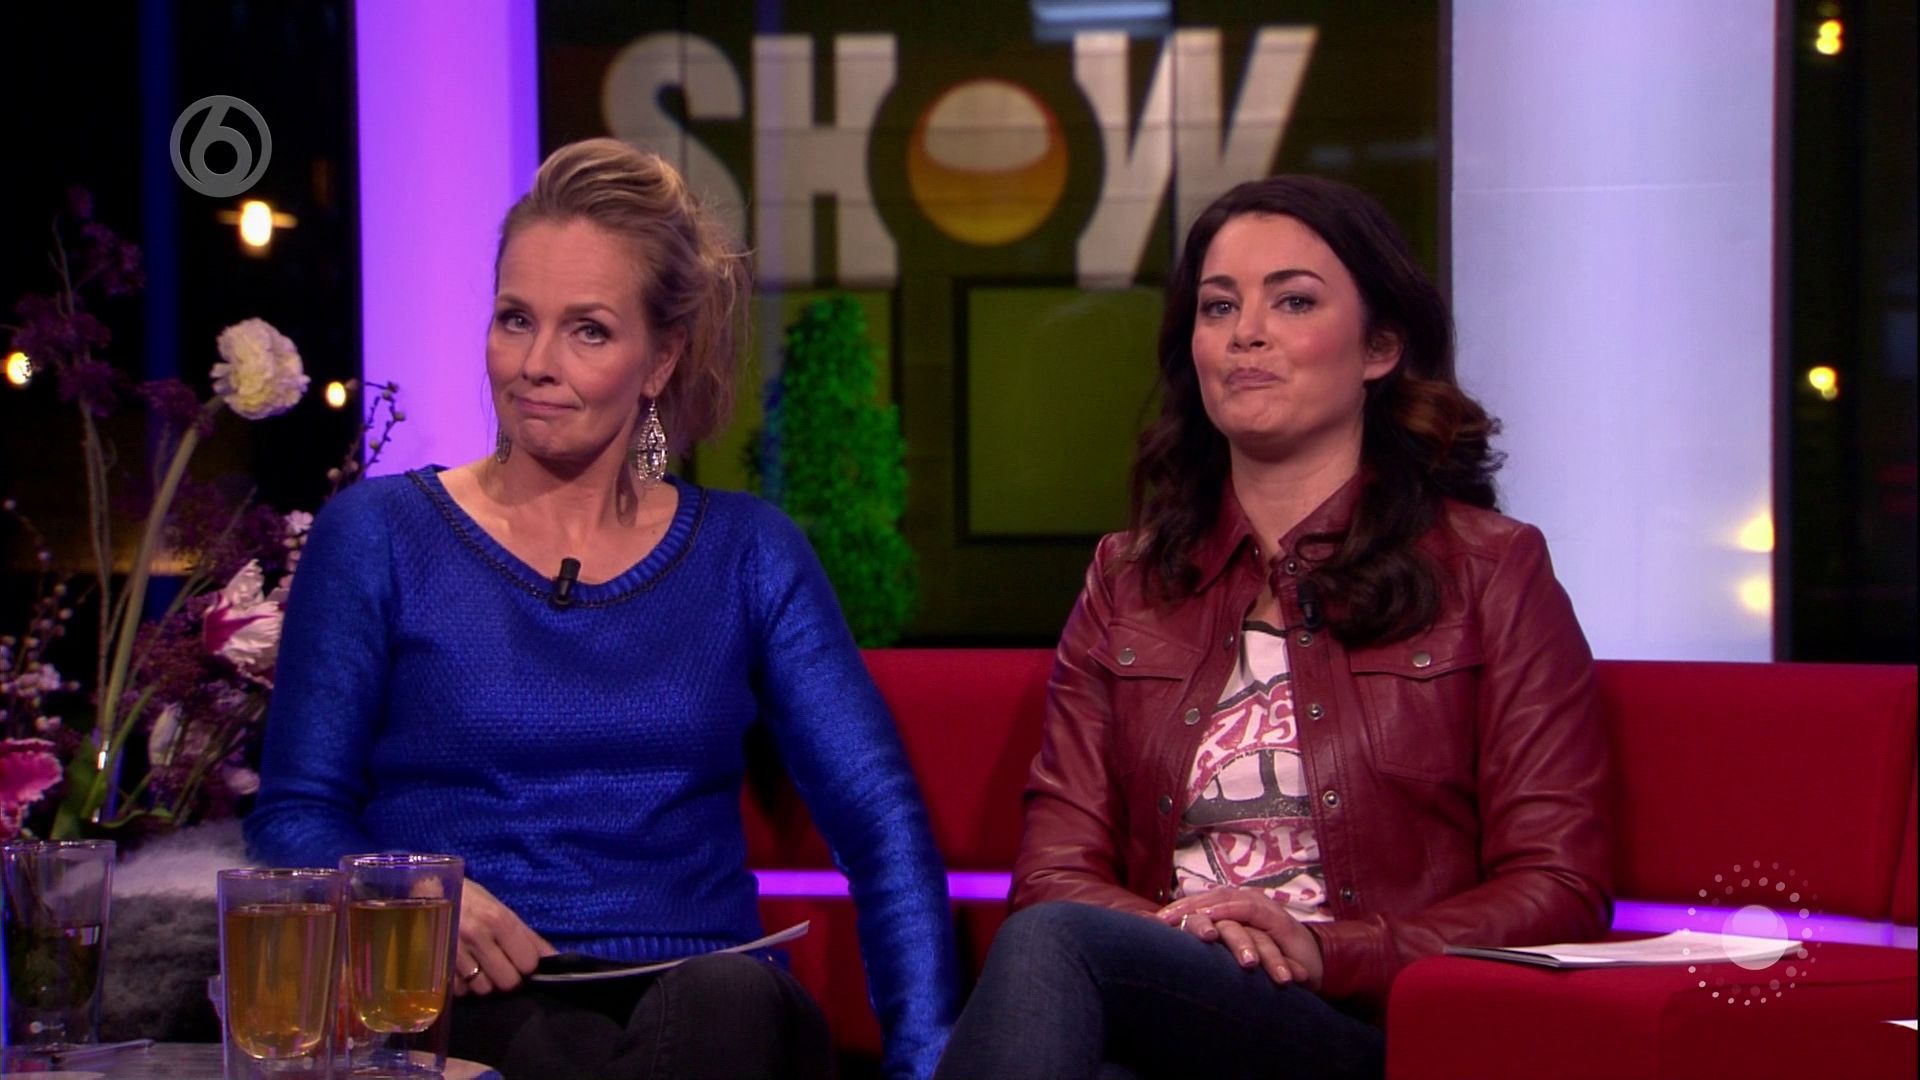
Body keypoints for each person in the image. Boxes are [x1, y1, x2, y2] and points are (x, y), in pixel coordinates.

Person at [246, 139, 959, 1080]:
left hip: (713, 1011)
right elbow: (295, 816)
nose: (536, 364)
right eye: (515, 319)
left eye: (588, 331)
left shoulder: (748, 552)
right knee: (539, 1046)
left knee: (724, 1002)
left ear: (659, 361)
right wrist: (415, 897)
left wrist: (924, 1065)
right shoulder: (377, 535)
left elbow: (880, 823)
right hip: (479, 1005)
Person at [934, 176, 1613, 1080]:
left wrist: (1330, 949)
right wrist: (1194, 938)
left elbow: (1560, 888)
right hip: (1167, 999)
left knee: (1057, 949)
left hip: (1363, 1026)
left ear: (1379, 347)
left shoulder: (1491, 571)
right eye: (1219, 307)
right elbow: (1053, 872)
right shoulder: (1128, 579)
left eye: (1292, 301)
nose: (1245, 333)